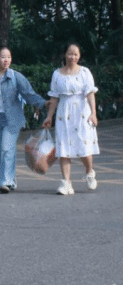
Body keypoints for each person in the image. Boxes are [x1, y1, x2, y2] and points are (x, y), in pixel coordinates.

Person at [0, 46, 49, 193]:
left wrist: (43, 103)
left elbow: (29, 94)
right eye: (3, 57)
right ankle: (8, 180)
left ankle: (5, 182)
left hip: (12, 119)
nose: (6, 60)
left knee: (7, 149)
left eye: (9, 57)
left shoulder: (15, 77)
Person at [42, 42, 100, 195]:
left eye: (75, 54)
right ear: (64, 55)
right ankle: (66, 183)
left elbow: (90, 94)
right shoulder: (57, 74)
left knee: (84, 148)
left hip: (82, 112)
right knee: (63, 149)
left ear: (79, 56)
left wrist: (93, 113)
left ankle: (89, 171)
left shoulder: (85, 72)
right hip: (64, 113)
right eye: (70, 54)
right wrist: (49, 117)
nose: (72, 57)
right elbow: (54, 97)